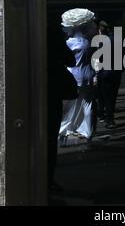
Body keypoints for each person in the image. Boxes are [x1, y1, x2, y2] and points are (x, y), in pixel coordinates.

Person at [47, 20, 78, 191]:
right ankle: (48, 179)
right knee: (51, 139)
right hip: (53, 94)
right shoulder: (57, 44)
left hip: (33, 92)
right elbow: (71, 61)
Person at [59, 8, 98, 142]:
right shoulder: (88, 43)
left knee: (70, 105)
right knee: (87, 104)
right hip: (88, 75)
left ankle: (65, 129)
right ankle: (86, 130)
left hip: (74, 77)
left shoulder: (69, 43)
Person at [94, 20, 122, 129]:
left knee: (106, 97)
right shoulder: (118, 39)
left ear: (101, 28)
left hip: (105, 72)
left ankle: (109, 119)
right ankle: (110, 117)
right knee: (113, 96)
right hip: (116, 72)